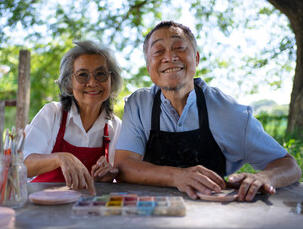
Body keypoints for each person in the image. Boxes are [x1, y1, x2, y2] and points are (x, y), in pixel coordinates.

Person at [114, 21, 302, 202]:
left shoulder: (229, 112)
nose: (169, 57)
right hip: (152, 211)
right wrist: (177, 176)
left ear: (196, 58)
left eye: (179, 47)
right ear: (148, 67)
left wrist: (265, 177)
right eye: (158, 51)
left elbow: (289, 165)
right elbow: (123, 167)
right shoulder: (138, 105)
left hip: (215, 214)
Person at [23, 40, 123, 195]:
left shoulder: (116, 127)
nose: (92, 82)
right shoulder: (52, 114)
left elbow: (118, 178)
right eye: (82, 75)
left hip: (87, 209)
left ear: (112, 81)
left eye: (101, 74)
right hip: (43, 206)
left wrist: (108, 177)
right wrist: (59, 158)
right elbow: (21, 166)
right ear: (69, 83)